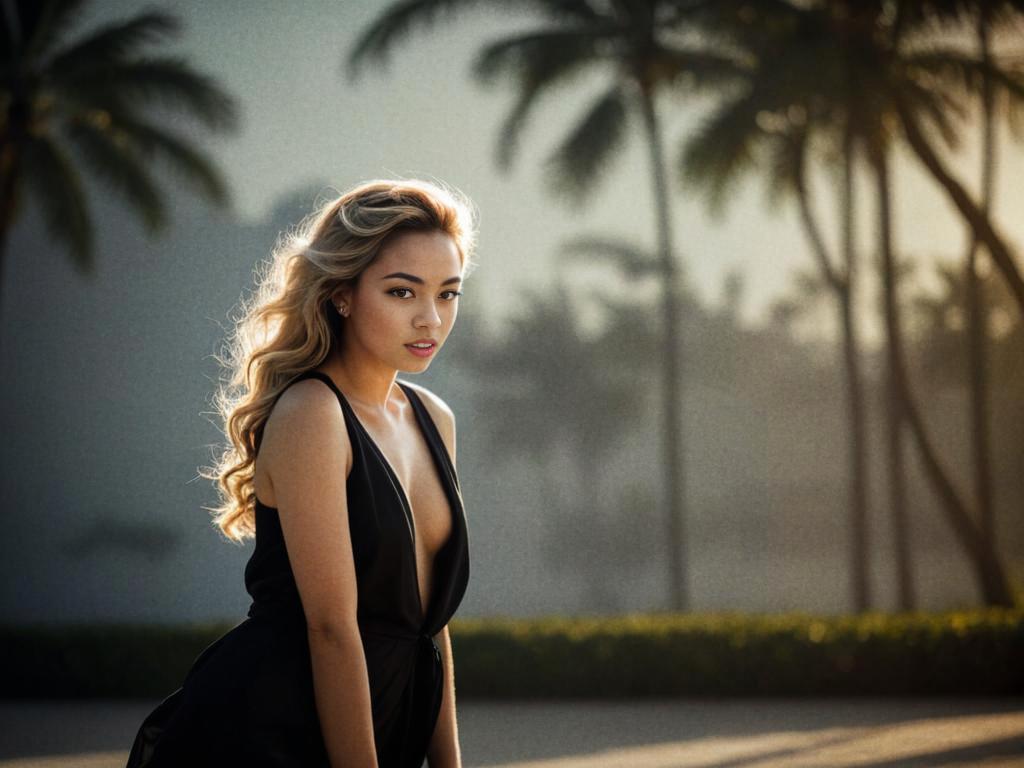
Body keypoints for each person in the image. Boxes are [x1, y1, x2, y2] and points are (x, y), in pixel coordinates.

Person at [125, 178, 477, 768]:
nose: (430, 320)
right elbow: (332, 629)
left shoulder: (433, 418)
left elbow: (430, 626)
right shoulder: (313, 414)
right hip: (273, 734)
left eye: (447, 294)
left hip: (388, 727)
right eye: (401, 292)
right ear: (341, 294)